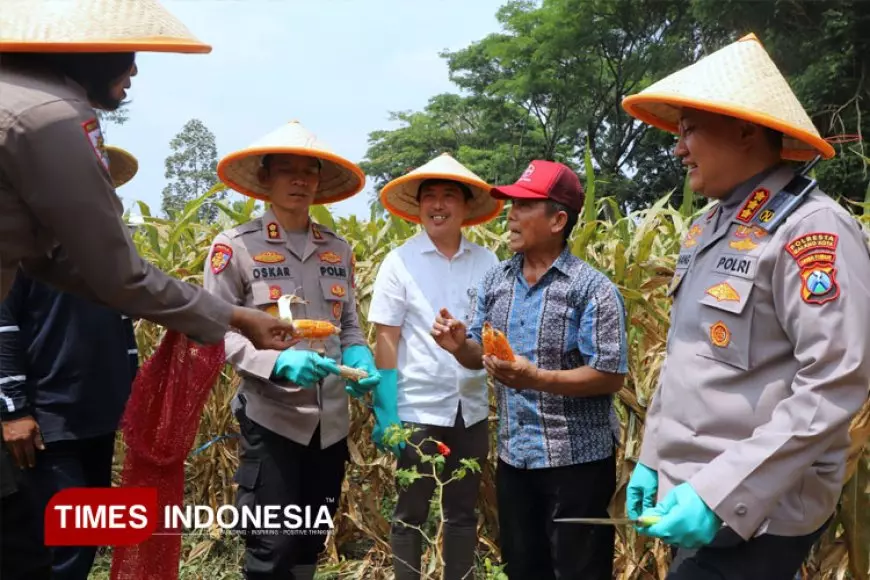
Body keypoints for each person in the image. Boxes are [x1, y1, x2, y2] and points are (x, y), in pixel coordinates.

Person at [620, 33, 870, 579]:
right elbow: (689, 358)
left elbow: (835, 380)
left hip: (759, 512)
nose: (677, 148)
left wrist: (717, 494)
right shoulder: (712, 226)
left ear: (745, 128)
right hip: (693, 497)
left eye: (689, 131)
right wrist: (651, 457)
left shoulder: (811, 228)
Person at [431, 160, 629, 580]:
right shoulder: (496, 282)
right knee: (522, 569)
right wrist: (458, 346)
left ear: (558, 220)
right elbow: (478, 357)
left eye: (524, 205)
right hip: (515, 459)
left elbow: (611, 375)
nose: (511, 214)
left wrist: (537, 378)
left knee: (579, 572)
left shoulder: (592, 290)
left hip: (578, 463)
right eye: (511, 204)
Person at [203, 120, 381, 580]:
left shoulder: (338, 249)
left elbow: (348, 325)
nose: (300, 180)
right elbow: (215, 329)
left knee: (308, 545)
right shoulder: (235, 248)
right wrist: (276, 361)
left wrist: (359, 357)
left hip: (331, 423)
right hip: (272, 417)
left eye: (310, 171)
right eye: (287, 170)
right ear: (265, 179)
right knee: (272, 547)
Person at [0, 145, 142, 580]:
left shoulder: (109, 250)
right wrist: (14, 410)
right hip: (46, 420)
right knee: (60, 541)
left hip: (98, 415)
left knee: (87, 532)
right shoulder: (20, 246)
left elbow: (124, 326)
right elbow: (3, 326)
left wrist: (133, 398)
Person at [368, 153, 503, 580]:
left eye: (449, 196)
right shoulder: (399, 261)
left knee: (463, 509)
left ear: (465, 208)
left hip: (472, 408)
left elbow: (494, 335)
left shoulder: (487, 263)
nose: (438, 205)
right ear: (419, 206)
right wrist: (384, 406)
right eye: (430, 197)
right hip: (417, 407)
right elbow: (386, 337)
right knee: (411, 510)